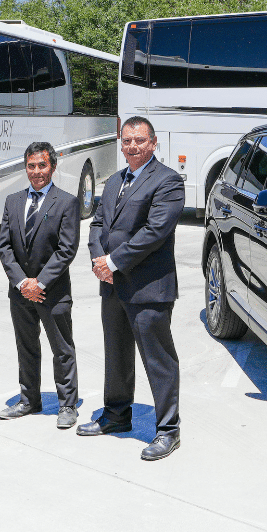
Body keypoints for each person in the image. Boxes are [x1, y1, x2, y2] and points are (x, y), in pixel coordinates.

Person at [83, 116, 185, 461]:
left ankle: (168, 430)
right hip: (112, 286)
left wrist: (112, 262)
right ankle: (116, 416)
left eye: (139, 140)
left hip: (148, 288)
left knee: (158, 361)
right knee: (116, 354)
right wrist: (99, 259)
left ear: (153, 143)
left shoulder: (168, 181)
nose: (132, 146)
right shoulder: (113, 181)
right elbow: (98, 223)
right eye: (127, 140)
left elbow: (154, 232)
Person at [0, 141, 82, 428]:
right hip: (20, 292)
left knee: (62, 349)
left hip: (53, 291)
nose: (37, 171)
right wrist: (22, 282)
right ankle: (29, 399)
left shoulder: (67, 202)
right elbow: (5, 247)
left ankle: (68, 405)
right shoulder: (13, 201)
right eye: (31, 166)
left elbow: (66, 250)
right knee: (26, 347)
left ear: (53, 167)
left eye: (42, 165)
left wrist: (40, 282)